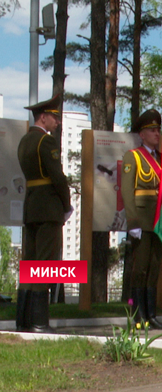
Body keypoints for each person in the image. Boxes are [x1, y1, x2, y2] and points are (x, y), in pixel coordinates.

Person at [17, 94, 72, 333]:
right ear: (43, 117)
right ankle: (39, 321)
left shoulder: (24, 141)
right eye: (54, 117)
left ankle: (24, 320)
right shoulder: (46, 142)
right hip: (48, 207)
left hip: (31, 206)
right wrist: (66, 204)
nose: (57, 122)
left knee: (29, 263)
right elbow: (57, 177)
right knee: (44, 263)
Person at [121, 109, 162, 329]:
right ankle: (136, 314)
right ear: (142, 134)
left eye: (158, 130)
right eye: (152, 130)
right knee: (139, 270)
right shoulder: (134, 156)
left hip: (158, 220)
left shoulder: (161, 159)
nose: (156, 133)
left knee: (153, 269)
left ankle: (151, 315)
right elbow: (127, 190)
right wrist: (132, 222)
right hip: (141, 219)